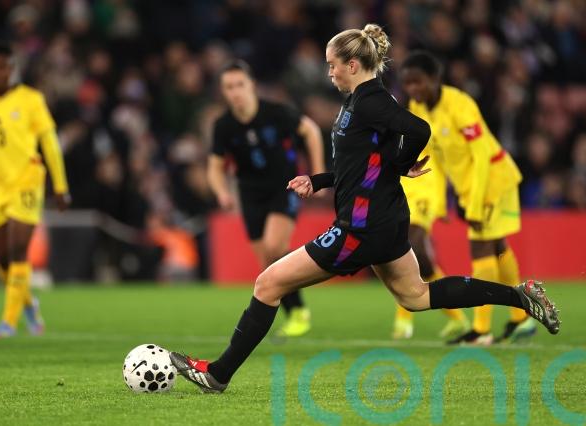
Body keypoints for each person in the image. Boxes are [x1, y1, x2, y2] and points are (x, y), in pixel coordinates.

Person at [169, 24, 560, 393]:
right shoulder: (361, 100)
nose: (329, 72)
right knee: (416, 296)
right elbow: (361, 165)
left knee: (268, 284)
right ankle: (520, 296)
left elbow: (419, 130)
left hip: (361, 227)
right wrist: (320, 181)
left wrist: (402, 162)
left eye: (332, 65)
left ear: (352, 65)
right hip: (384, 219)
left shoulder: (371, 101)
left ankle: (217, 374)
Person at [400, 51, 536, 345]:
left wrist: (474, 204)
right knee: (498, 245)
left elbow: (482, 155)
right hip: (468, 187)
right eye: (408, 83)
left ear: (434, 79)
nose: (413, 89)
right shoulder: (417, 108)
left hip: (493, 180)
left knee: (481, 248)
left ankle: (482, 329)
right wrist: (440, 203)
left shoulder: (460, 104)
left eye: (418, 82)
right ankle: (522, 319)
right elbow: (432, 158)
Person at [208, 60, 325, 338]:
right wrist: (222, 192)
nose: (235, 92)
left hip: (284, 187)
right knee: (269, 266)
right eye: (229, 87)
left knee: (274, 246)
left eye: (239, 85)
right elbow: (214, 167)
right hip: (250, 194)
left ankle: (298, 312)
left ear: (251, 85)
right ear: (223, 92)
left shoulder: (276, 112)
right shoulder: (223, 126)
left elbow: (310, 131)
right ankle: (297, 312)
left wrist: (318, 173)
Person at [0, 43, 70, 339]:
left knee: (18, 249)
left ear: (11, 69)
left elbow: (49, 143)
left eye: (0, 67)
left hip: (26, 181)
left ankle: (8, 322)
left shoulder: (31, 99)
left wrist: (60, 186)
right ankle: (28, 303)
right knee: (2, 259)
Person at [393, 136, 470, 340]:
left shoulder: (434, 123)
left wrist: (442, 204)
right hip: (403, 186)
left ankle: (403, 320)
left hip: (425, 188)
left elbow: (445, 158)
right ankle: (457, 317)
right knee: (422, 264)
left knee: (409, 246)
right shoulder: (396, 123)